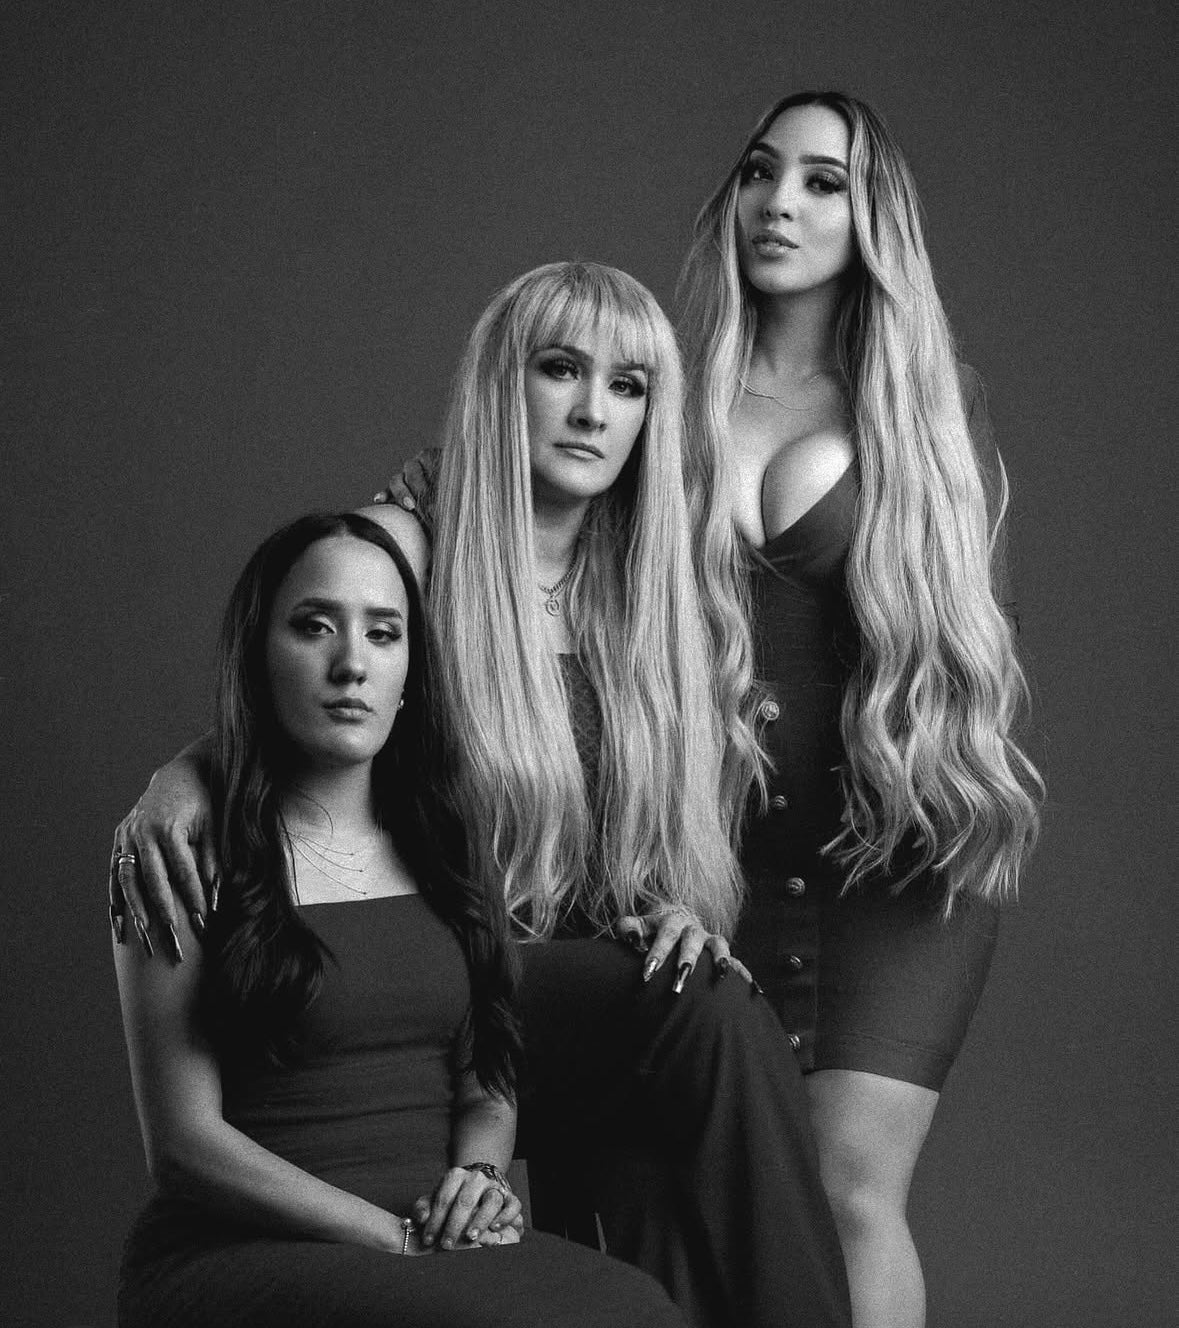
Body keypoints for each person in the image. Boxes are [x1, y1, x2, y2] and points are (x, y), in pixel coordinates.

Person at [109, 264, 854, 1328]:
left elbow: (654, 828)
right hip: (456, 982)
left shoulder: (647, 578)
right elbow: (311, 686)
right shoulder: (412, 543)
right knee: (696, 1040)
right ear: (506, 383)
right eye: (561, 370)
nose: (593, 411)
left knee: (708, 1021)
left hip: (576, 983)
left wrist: (676, 911)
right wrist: (180, 778)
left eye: (629, 385)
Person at [113, 511, 684, 1326]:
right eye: (314, 627)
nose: (352, 664)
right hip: (242, 1250)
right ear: (258, 655)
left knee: (640, 1310)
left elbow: (487, 1084)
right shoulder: (180, 851)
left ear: (410, 672)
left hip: (428, 1244)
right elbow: (183, 1149)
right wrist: (390, 1237)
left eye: (383, 634)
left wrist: (480, 1183)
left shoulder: (447, 849)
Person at [677, 92, 1044, 1328]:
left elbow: (967, 645)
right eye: (759, 171)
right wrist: (204, 765)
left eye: (822, 181)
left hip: (894, 851)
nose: (778, 203)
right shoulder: (663, 397)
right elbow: (453, 514)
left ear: (872, 218)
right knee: (715, 1191)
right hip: (708, 856)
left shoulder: (931, 404)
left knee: (849, 1189)